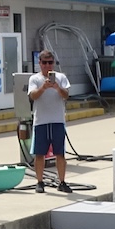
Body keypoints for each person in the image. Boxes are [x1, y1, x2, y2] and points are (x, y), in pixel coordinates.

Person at [28, 49, 72, 195]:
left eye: (50, 62)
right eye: (45, 63)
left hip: (58, 120)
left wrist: (57, 87)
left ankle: (62, 181)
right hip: (41, 121)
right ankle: (39, 182)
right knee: (39, 154)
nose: (48, 66)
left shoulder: (61, 77)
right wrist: (44, 88)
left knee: (60, 153)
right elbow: (33, 96)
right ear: (39, 63)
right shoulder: (34, 79)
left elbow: (66, 95)